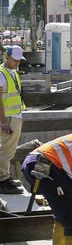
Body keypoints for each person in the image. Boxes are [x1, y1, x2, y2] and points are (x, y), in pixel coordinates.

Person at [0, 45, 26, 194]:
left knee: (8, 150)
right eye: (15, 59)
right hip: (8, 118)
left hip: (14, 116)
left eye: (19, 60)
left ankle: (5, 177)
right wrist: (3, 121)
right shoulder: (2, 73)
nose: (17, 63)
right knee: (5, 150)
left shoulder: (12, 73)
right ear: (7, 57)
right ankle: (3, 180)